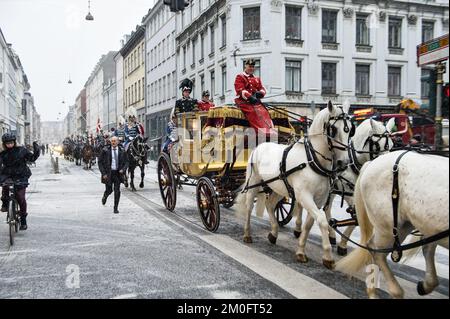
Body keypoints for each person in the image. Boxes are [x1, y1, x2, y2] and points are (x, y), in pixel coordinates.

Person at [0, 133, 40, 230]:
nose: (9, 145)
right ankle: (5, 203)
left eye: (11, 143)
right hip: (8, 175)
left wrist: (36, 148)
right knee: (5, 187)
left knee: (20, 197)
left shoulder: (22, 150)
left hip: (21, 175)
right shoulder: (2, 153)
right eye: (7, 143)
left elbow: (32, 158)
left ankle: (23, 220)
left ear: (14, 142)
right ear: (4, 144)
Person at [234, 58, 275, 137]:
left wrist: (260, 93)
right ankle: (260, 132)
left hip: (255, 102)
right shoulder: (240, 77)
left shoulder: (257, 78)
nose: (251, 68)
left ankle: (269, 130)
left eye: (253, 67)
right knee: (253, 112)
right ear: (245, 66)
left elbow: (262, 88)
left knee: (264, 111)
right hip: (244, 102)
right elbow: (240, 89)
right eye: (249, 66)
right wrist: (249, 97)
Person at [98, 136, 128, 214]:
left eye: (115, 141)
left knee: (117, 191)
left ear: (118, 142)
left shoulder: (122, 150)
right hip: (108, 174)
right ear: (110, 142)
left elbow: (127, 162)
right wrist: (103, 173)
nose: (113, 142)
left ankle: (115, 208)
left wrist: (123, 170)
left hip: (118, 173)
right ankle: (105, 196)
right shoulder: (105, 150)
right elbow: (100, 162)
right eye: (112, 141)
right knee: (109, 190)